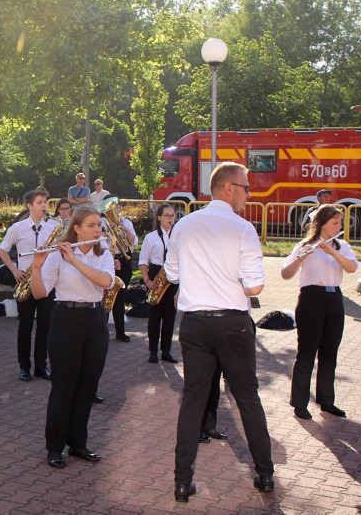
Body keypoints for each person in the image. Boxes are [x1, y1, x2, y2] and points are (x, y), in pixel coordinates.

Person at [164, 161, 274, 502]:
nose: (249, 194)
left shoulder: (183, 225)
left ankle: (182, 482)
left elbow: (171, 275)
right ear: (229, 188)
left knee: (193, 399)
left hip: (195, 324)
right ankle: (265, 475)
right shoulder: (242, 229)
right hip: (233, 323)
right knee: (247, 397)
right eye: (246, 187)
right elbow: (255, 287)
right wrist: (233, 279)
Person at [30, 205, 115, 469]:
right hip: (66, 319)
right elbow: (39, 293)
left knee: (88, 386)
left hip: (95, 319)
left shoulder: (103, 254)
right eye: (91, 225)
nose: (97, 230)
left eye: (99, 225)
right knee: (64, 386)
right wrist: (35, 268)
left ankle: (78, 442)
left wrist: (75, 261)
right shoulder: (57, 255)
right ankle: (54, 447)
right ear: (76, 229)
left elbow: (106, 282)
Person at [281, 204, 357, 420]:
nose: (339, 226)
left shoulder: (342, 246)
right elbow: (285, 273)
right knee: (306, 353)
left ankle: (326, 401)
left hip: (334, 300)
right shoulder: (304, 245)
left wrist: (331, 250)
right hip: (311, 299)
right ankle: (299, 403)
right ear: (322, 223)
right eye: (335, 222)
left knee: (330, 352)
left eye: (339, 222)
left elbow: (351, 268)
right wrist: (302, 257)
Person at [0, 188, 57, 382]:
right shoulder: (18, 227)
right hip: (25, 281)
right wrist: (15, 270)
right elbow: (3, 251)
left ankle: (42, 365)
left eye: (45, 203)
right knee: (25, 326)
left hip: (46, 282)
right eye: (40, 202)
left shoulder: (51, 228)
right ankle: (24, 366)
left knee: (45, 326)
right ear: (29, 205)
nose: (43, 206)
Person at [139, 204, 178, 363]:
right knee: (154, 317)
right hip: (156, 274)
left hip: (172, 276)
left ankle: (166, 351)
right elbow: (143, 261)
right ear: (159, 217)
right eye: (167, 215)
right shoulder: (151, 237)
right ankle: (153, 351)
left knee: (170, 317)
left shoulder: (178, 237)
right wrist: (147, 280)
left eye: (173, 215)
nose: (171, 218)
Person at [108, 201, 137, 343]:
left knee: (120, 297)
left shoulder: (126, 222)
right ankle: (100, 331)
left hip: (123, 261)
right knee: (104, 296)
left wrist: (123, 228)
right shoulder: (101, 222)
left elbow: (134, 242)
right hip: (107, 260)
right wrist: (106, 231)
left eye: (116, 206)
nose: (115, 209)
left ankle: (120, 332)